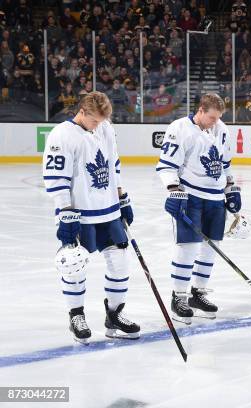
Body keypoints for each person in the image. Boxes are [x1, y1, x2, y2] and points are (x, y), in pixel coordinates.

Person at [43, 91, 139, 344]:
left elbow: (113, 165)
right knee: (74, 266)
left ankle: (115, 314)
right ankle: (76, 315)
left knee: (120, 263)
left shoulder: (105, 127)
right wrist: (65, 212)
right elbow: (56, 178)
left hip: (109, 211)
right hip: (78, 214)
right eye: (94, 120)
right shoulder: (61, 135)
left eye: (102, 121)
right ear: (82, 112)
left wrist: (123, 196)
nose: (99, 125)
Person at [156, 93, 240, 324]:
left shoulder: (221, 129)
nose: (216, 122)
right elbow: (166, 166)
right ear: (201, 110)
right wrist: (174, 190)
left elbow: (225, 164)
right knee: (188, 247)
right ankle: (179, 296)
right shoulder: (180, 128)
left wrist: (231, 188)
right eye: (212, 117)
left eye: (218, 117)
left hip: (215, 198)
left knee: (210, 247)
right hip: (190, 196)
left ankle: (198, 293)